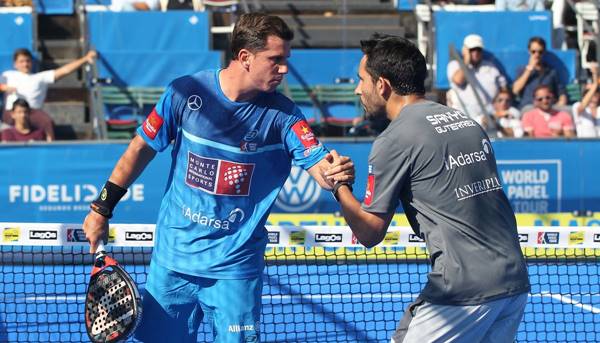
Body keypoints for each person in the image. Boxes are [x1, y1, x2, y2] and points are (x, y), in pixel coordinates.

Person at [82, 13, 354, 343]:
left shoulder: (285, 117)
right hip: (172, 264)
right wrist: (101, 208)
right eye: (275, 60)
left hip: (235, 272)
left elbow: (320, 168)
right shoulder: (184, 93)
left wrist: (336, 173)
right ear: (245, 58)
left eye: (286, 60)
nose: (284, 68)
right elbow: (140, 149)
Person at [327, 33, 530, 342]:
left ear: (382, 85)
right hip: (513, 281)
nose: (357, 89)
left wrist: (338, 185)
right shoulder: (467, 122)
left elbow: (368, 233)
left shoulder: (393, 140)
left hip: (463, 290)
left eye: (361, 80)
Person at [0, 48, 97, 141]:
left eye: (27, 61)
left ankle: (49, 148)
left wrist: (85, 59)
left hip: (33, 112)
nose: (25, 64)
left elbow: (64, 71)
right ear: (15, 64)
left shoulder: (40, 77)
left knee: (47, 122)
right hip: (11, 112)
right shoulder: (8, 75)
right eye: (21, 61)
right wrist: (4, 88)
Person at [446, 34, 508, 125]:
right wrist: (466, 61)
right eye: (472, 50)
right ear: (465, 51)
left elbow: (504, 89)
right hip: (465, 116)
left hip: (490, 115)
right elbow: (458, 80)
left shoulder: (490, 67)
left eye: (478, 49)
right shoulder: (455, 65)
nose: (475, 53)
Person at [512, 36, 567, 109]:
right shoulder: (522, 70)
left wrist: (561, 102)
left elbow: (561, 92)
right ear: (529, 51)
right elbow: (515, 90)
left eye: (540, 52)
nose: (537, 55)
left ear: (544, 52)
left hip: (548, 108)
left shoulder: (551, 71)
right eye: (533, 51)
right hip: (529, 107)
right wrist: (529, 69)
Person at [572, 64, 600, 137]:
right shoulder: (577, 106)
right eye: (588, 92)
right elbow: (582, 106)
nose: (593, 93)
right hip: (584, 146)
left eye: (596, 91)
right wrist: (595, 83)